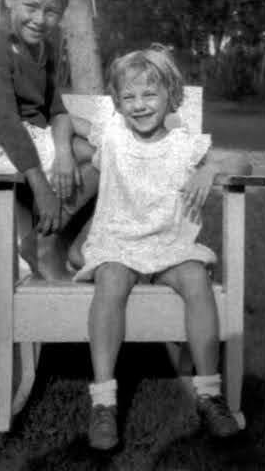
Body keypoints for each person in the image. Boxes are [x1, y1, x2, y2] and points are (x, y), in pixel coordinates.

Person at [68, 44, 252, 450]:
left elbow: (242, 162)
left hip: (170, 245)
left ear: (171, 93)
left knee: (195, 278)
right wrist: (66, 155)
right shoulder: (113, 134)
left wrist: (212, 168)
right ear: (116, 103)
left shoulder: (185, 145)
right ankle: (103, 401)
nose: (139, 105)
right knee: (111, 280)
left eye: (149, 95)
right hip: (118, 241)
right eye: (128, 97)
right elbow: (65, 124)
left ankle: (208, 393)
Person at [0, 0, 98, 281]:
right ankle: (43, 245)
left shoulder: (44, 49)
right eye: (31, 7)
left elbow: (56, 110)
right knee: (102, 160)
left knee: (103, 156)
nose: (40, 19)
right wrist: (43, 189)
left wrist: (64, 153)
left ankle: (77, 246)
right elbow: (5, 122)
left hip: (30, 136)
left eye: (51, 11)